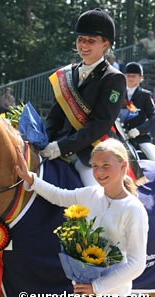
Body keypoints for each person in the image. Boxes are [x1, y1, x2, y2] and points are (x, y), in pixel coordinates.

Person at [15, 138, 148, 297]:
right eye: (95, 166)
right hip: (84, 292)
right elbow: (59, 196)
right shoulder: (90, 194)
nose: (99, 172)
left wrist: (96, 288)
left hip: (113, 296)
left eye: (106, 165)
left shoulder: (133, 209)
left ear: (123, 166)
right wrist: (31, 178)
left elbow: (137, 264)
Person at [40, 8, 126, 186]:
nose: (83, 45)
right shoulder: (67, 74)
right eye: (80, 39)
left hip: (90, 153)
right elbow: (55, 116)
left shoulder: (114, 78)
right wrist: (46, 142)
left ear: (105, 44)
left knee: (96, 197)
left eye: (91, 41)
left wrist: (61, 147)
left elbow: (101, 123)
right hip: (57, 146)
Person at [119, 62, 155, 160]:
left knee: (152, 157)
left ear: (140, 77)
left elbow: (152, 118)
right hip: (119, 136)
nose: (130, 78)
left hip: (140, 138)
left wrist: (139, 130)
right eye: (128, 75)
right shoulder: (118, 94)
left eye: (133, 76)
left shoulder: (146, 95)